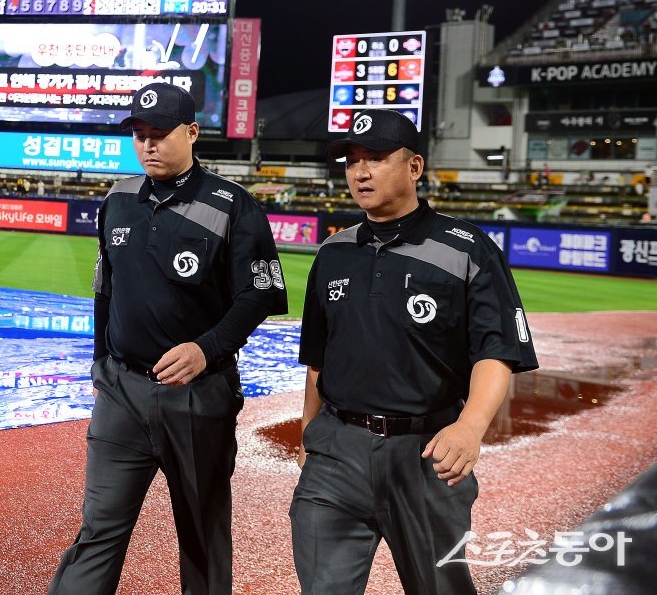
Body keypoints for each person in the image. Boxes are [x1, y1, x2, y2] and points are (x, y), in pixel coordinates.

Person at [49, 83, 288, 594]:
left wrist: (206, 348)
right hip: (122, 393)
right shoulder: (117, 200)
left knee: (202, 536)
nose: (148, 145)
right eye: (139, 135)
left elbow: (261, 296)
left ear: (193, 133)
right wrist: (100, 361)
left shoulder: (233, 206)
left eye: (160, 134)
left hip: (198, 399)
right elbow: (104, 288)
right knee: (98, 530)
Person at [290, 108, 539, 594]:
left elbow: (497, 350)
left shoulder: (467, 249)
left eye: (377, 159)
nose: (360, 172)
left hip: (425, 453)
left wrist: (469, 428)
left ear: (415, 167)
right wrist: (308, 432)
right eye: (351, 160)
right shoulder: (333, 252)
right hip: (337, 453)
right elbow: (319, 357)